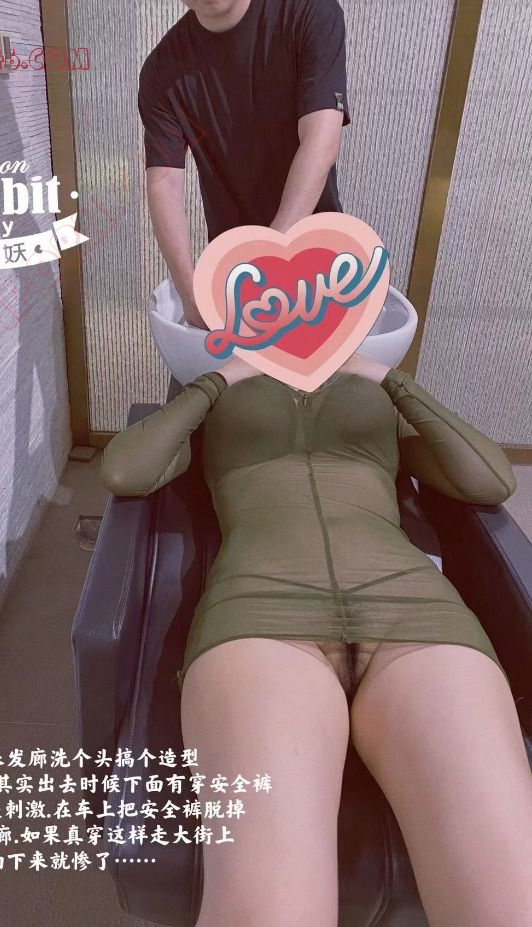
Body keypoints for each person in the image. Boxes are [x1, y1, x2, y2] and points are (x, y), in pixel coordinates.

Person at [99, 351, 532, 926]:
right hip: (260, 611)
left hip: (418, 611)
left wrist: (388, 379)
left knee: (515, 903)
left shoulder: (378, 392)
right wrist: (220, 378)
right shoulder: (219, 388)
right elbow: (125, 471)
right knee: (271, 914)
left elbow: (490, 480)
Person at [138, 0, 350, 327]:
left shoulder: (310, 12)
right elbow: (163, 181)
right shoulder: (161, 71)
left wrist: (272, 256)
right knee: (213, 362)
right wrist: (191, 296)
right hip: (234, 274)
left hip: (319, 264)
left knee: (329, 357)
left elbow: (320, 140)